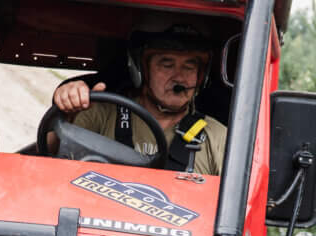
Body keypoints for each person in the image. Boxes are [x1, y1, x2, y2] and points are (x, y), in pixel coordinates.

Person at [47, 21, 226, 174]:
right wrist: (68, 112)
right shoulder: (101, 114)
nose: (179, 77)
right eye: (167, 64)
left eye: (189, 66)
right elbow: (49, 156)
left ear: (201, 76)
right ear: (142, 69)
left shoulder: (218, 138)